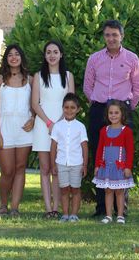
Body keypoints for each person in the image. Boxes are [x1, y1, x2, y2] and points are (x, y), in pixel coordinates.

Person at [83, 19, 139, 217]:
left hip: (122, 111)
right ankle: (102, 208)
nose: (111, 38)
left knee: (122, 157)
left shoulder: (132, 59)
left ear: (121, 36)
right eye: (108, 35)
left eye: (115, 35)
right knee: (100, 157)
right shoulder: (94, 59)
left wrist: (126, 109)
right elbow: (87, 86)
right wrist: (96, 103)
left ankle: (121, 210)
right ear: (104, 36)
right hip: (99, 110)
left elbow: (138, 88)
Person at [32, 40, 75, 219]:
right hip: (43, 126)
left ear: (61, 55)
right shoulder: (38, 76)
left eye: (55, 52)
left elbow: (71, 102)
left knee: (57, 168)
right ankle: (48, 208)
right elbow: (35, 103)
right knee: (45, 168)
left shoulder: (68, 76)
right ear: (45, 55)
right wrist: (49, 123)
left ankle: (57, 207)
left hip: (63, 125)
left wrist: (58, 123)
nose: (52, 55)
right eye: (48, 52)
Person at [0, 44, 34, 217]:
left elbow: (35, 104)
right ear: (6, 59)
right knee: (7, 170)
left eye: (17, 54)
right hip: (5, 128)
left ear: (22, 57)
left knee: (20, 167)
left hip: (24, 129)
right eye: (10, 55)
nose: (14, 57)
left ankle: (15, 206)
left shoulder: (30, 80)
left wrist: (33, 119)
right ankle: (3, 203)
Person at [92, 100, 135, 224]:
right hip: (106, 167)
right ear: (107, 115)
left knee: (120, 191)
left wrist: (128, 167)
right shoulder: (103, 131)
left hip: (120, 168)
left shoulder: (126, 131)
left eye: (116, 112)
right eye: (111, 113)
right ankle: (109, 215)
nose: (113, 115)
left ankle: (120, 215)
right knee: (108, 191)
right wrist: (97, 165)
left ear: (122, 114)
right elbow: (100, 150)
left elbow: (130, 151)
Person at [50, 93, 88, 223]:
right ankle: (65, 214)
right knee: (64, 189)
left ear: (77, 109)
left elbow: (84, 147)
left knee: (76, 189)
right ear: (62, 108)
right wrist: (53, 164)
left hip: (76, 163)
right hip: (61, 162)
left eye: (72, 107)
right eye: (66, 107)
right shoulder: (57, 126)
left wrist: (85, 165)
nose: (69, 110)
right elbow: (53, 147)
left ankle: (74, 214)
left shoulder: (81, 127)